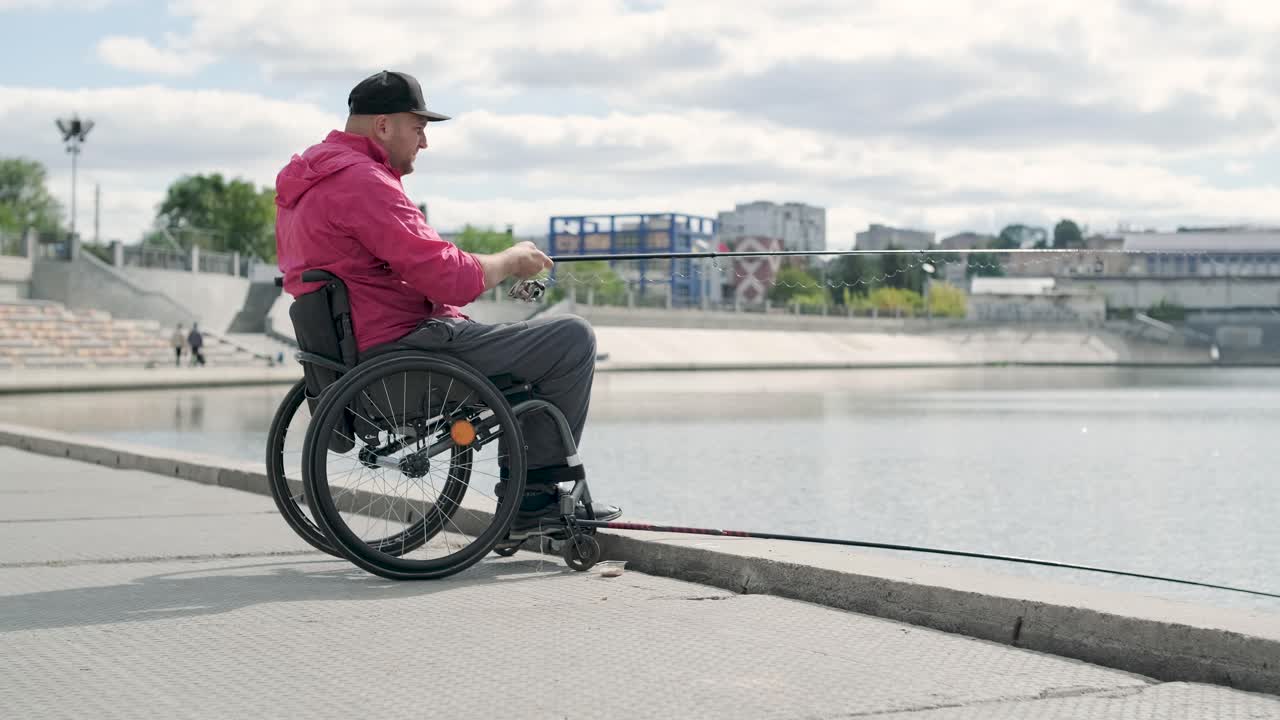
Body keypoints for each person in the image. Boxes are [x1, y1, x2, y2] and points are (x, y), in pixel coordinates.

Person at [272, 69, 620, 538]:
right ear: (383, 126)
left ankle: (529, 490)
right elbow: (451, 278)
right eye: (418, 128)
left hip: (353, 358)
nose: (424, 142)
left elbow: (385, 270)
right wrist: (514, 259)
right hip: (404, 354)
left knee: (519, 345)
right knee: (571, 339)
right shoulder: (363, 181)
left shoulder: (306, 185)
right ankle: (534, 499)